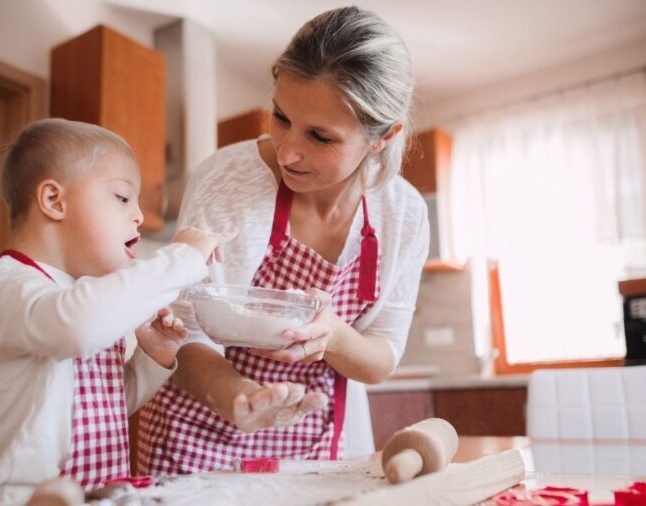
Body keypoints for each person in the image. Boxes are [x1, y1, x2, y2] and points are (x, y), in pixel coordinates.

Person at [138, 6, 429, 474]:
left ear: (382, 137)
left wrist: (333, 335)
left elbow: (381, 356)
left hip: (310, 443)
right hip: (196, 433)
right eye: (280, 116)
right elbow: (184, 328)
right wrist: (240, 397)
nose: (289, 150)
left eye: (320, 136)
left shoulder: (404, 214)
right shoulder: (227, 178)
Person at [0, 118, 227, 505]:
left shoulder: (81, 296)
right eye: (121, 197)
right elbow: (77, 326)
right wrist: (181, 258)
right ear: (54, 201)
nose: (137, 216)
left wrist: (151, 359)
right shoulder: (6, 285)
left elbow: (106, 406)